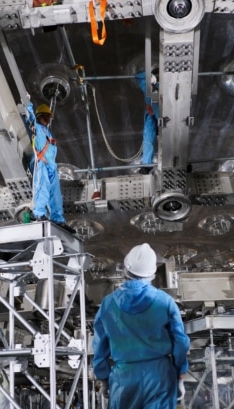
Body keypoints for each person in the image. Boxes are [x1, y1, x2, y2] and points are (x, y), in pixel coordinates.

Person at [92, 243, 190, 409]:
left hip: (124, 377)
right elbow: (180, 341)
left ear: (125, 270)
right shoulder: (165, 301)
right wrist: (180, 375)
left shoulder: (108, 304)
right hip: (159, 375)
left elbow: (99, 347)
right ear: (152, 274)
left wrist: (103, 379)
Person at [24, 102, 74, 233]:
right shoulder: (36, 128)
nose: (47, 119)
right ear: (39, 116)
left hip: (51, 166)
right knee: (43, 188)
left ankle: (58, 220)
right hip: (41, 163)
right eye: (44, 116)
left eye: (48, 117)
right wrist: (28, 104)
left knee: (56, 195)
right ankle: (38, 214)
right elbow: (29, 117)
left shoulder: (48, 133)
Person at [135, 70, 159, 175]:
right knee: (149, 136)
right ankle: (146, 164)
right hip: (154, 114)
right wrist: (149, 76)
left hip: (164, 115)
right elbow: (139, 76)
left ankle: (146, 164)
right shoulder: (149, 86)